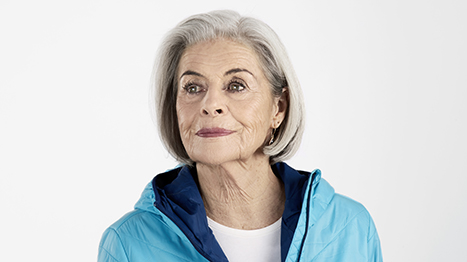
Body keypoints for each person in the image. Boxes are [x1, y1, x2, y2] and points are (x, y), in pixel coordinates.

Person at [98, 10, 382, 262]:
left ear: (278, 108)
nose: (210, 105)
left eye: (236, 85)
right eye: (193, 88)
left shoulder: (350, 227)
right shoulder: (128, 244)